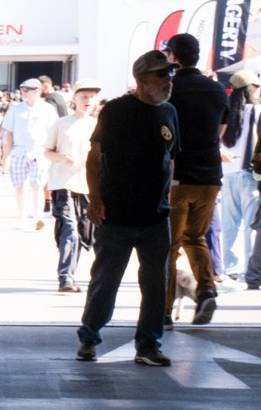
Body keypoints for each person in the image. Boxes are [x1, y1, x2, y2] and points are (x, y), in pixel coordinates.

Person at [77, 51, 182, 367]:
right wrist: (95, 198)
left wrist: (168, 200)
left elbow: (170, 160)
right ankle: (89, 336)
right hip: (117, 216)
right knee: (106, 281)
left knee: (155, 285)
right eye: (161, 74)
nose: (168, 81)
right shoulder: (117, 111)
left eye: (170, 74)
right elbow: (94, 157)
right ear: (141, 79)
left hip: (156, 217)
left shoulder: (170, 113)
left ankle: (148, 345)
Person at [161, 33, 233, 324]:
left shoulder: (169, 89)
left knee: (169, 244)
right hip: (210, 175)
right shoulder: (216, 90)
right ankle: (206, 292)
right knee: (196, 237)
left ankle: (163, 309)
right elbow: (220, 132)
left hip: (178, 176)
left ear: (173, 57)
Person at [43, 83, 101, 292]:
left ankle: (90, 278)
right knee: (69, 229)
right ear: (74, 99)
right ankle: (65, 277)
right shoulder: (61, 124)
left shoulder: (99, 125)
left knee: (87, 234)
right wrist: (60, 157)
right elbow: (47, 151)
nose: (88, 100)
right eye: (84, 96)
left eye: (92, 97)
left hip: (90, 186)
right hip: (63, 184)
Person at [222, 70, 260, 290]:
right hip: (249, 174)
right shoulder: (256, 111)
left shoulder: (226, 111)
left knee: (230, 224)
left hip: (227, 172)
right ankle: (249, 270)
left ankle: (231, 269)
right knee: (251, 226)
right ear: (251, 89)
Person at [0, 78, 57, 222]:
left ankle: (38, 216)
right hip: (19, 152)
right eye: (22, 90)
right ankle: (22, 216)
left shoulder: (47, 109)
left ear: (36, 91)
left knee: (38, 185)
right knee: (20, 186)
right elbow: (8, 133)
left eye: (26, 90)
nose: (23, 93)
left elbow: (53, 132)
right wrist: (6, 158)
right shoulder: (15, 109)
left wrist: (52, 154)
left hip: (39, 152)